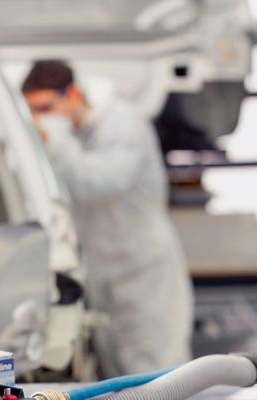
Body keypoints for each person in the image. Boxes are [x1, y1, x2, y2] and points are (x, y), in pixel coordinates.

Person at [22, 60, 193, 376]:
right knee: (117, 373)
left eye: (46, 107)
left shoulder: (121, 123)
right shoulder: (77, 135)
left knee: (158, 371)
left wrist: (56, 145)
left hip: (142, 269)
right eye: (34, 111)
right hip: (102, 270)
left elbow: (101, 183)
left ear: (72, 93)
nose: (43, 119)